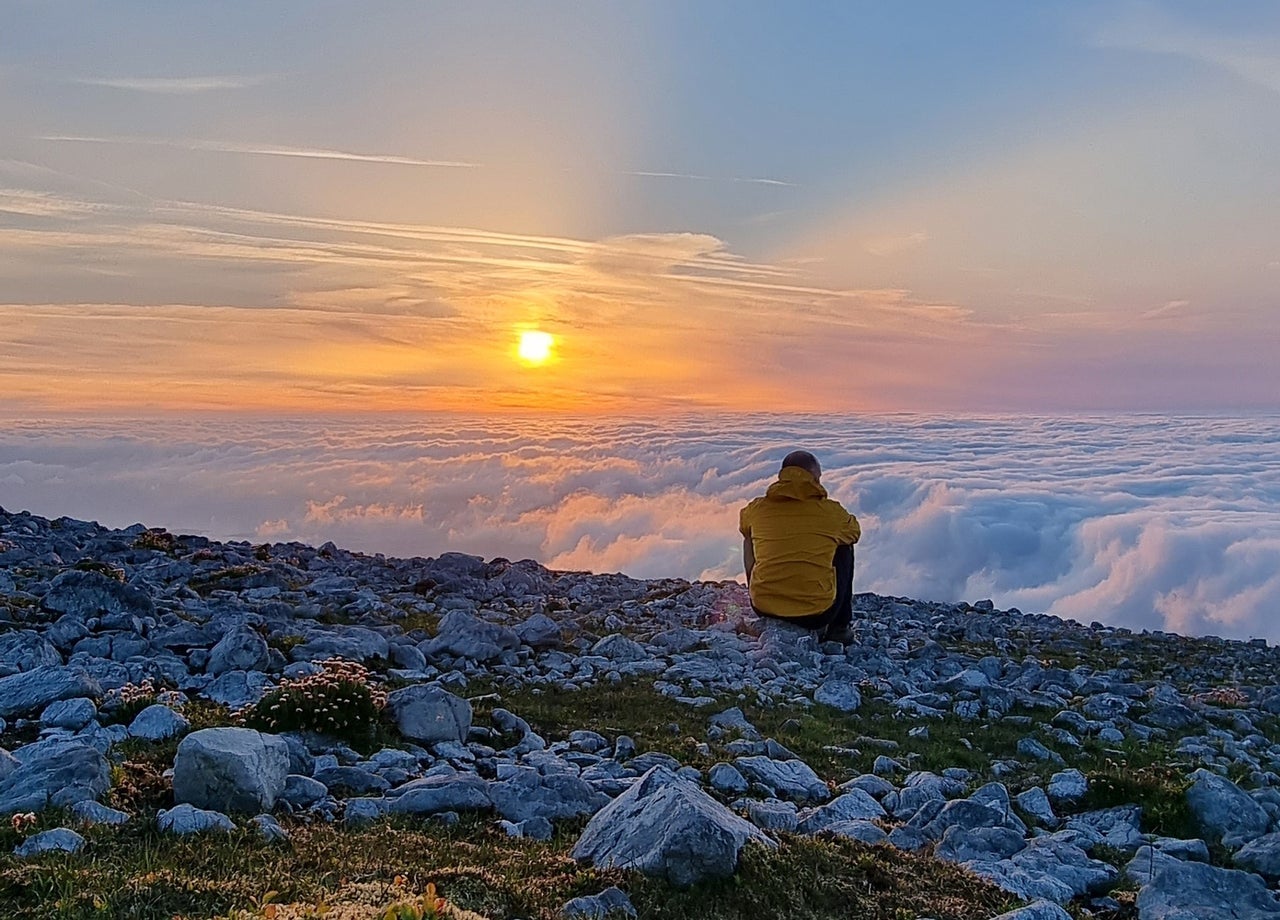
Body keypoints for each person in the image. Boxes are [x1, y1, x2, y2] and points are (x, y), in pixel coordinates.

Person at [739, 449, 861, 642]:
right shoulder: (831, 513)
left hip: (763, 607)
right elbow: (855, 532)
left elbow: (744, 525)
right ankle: (840, 628)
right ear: (815, 478)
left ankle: (760, 590)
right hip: (816, 614)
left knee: (749, 535)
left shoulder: (756, 509)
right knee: (844, 545)